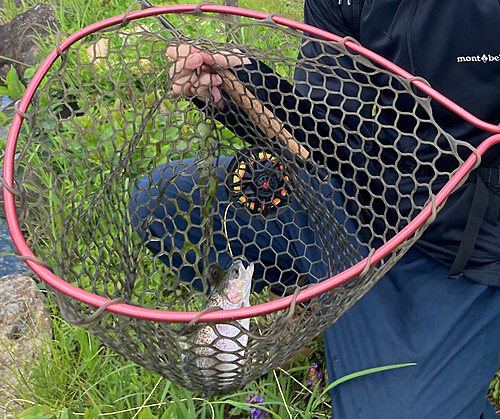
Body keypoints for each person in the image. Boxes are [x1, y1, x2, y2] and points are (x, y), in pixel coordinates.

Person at [132, 0, 500, 417]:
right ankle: (318, 303)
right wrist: (237, 84)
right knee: (161, 204)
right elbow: (323, 125)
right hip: (355, 209)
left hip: (460, 253)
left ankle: (417, 355)